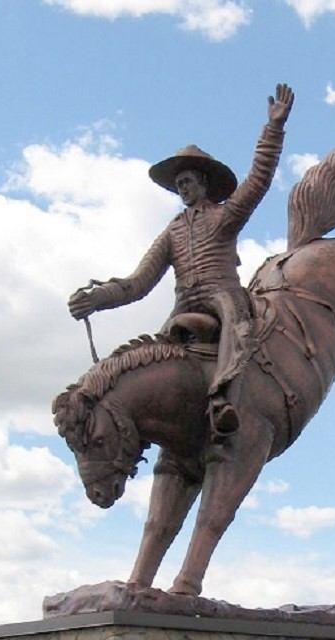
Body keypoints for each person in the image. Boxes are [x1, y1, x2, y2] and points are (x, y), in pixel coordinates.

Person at [68, 83, 294, 445]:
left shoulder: (223, 216)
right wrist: (96, 299)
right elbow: (137, 283)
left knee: (238, 332)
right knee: (154, 357)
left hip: (222, 295)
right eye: (178, 185)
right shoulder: (171, 232)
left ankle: (223, 401)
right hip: (184, 304)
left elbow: (258, 181)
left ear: (203, 183)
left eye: (187, 182)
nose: (183, 189)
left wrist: (274, 129)